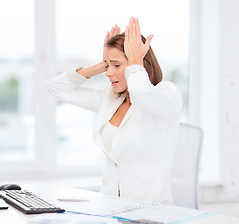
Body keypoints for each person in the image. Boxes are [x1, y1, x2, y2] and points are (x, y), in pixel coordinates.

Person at [46, 17, 182, 204]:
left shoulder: (167, 95)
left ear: (140, 63)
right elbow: (55, 88)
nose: (108, 73)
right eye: (107, 66)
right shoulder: (111, 99)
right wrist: (103, 63)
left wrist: (135, 62)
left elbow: (141, 92)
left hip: (151, 213)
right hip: (111, 208)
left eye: (116, 66)